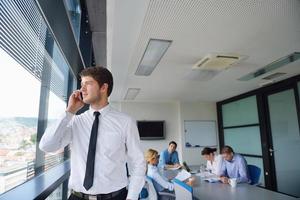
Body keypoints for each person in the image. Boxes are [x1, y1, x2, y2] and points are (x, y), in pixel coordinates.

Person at [39, 66, 145, 200]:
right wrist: (69, 111)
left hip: (115, 197)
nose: (81, 89)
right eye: (81, 84)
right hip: (77, 197)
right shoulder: (75, 121)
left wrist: (132, 197)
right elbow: (47, 146)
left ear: (103, 88)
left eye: (87, 84)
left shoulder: (125, 122)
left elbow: (138, 162)